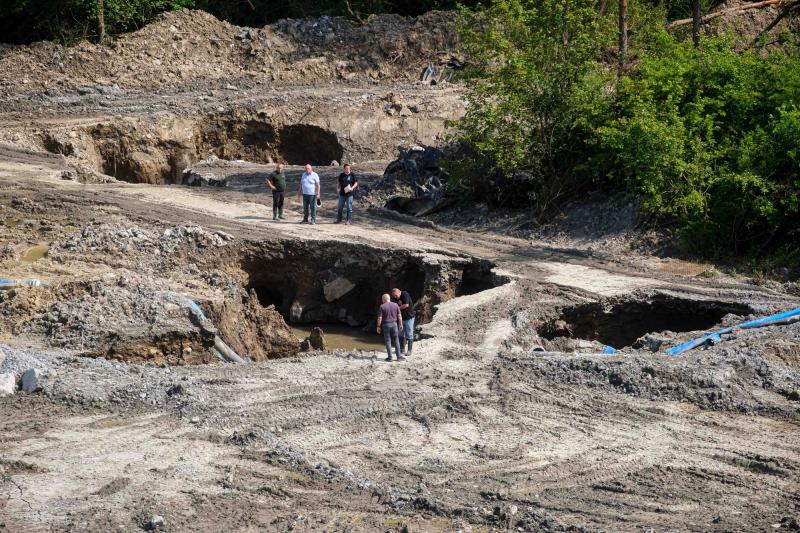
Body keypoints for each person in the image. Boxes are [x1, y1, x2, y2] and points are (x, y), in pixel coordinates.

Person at [376, 293, 404, 362]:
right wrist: (401, 324)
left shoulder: (382, 306)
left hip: (386, 325)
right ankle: (399, 356)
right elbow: (399, 316)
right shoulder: (395, 305)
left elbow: (380, 318)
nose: (382, 300)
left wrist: (378, 326)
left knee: (388, 341)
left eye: (382, 299)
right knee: (396, 340)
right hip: (394, 324)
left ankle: (390, 357)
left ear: (384, 299)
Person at [391, 287, 416, 356]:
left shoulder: (405, 294)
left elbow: (406, 305)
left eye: (396, 295)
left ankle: (409, 350)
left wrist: (397, 309)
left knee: (409, 334)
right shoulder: (396, 299)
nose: (395, 297)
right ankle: (402, 349)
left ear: (399, 292)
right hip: (401, 319)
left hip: (409, 318)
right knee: (401, 334)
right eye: (394, 295)